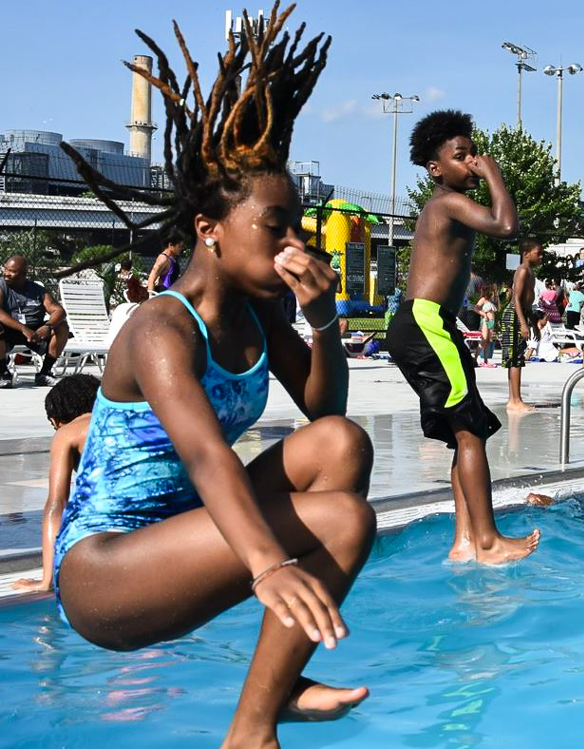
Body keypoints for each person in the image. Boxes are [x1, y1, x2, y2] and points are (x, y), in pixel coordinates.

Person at [51, 14, 377, 746]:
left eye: (298, 226)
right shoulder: (161, 330)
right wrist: (267, 566)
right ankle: (251, 731)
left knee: (342, 446)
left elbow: (326, 412)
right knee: (347, 521)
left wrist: (322, 317)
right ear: (209, 230)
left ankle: (278, 680)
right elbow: (206, 455)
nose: (295, 243)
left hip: (187, 537)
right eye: (277, 226)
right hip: (106, 571)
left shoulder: (261, 315)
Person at [395, 108, 540, 566]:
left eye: (475, 154)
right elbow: (506, 225)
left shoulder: (445, 206)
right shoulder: (446, 202)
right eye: (463, 157)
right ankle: (490, 542)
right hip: (426, 323)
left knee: (464, 434)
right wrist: (495, 172)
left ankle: (464, 541)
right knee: (472, 432)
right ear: (436, 169)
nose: (474, 162)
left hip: (426, 324)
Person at [12, 374, 100, 593]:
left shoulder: (68, 433)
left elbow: (56, 506)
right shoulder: (129, 422)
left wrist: (47, 581)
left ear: (57, 420)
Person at [0, 254, 70, 388]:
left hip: (36, 332)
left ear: (24, 274)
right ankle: (3, 373)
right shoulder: (2, 285)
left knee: (62, 327)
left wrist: (48, 326)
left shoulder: (38, 290)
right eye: (6, 269)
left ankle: (45, 373)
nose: (7, 274)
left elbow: (59, 311)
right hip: (9, 330)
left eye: (12, 271)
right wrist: (23, 329)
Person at [499, 238, 542, 412]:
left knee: (516, 358)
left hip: (521, 314)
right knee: (515, 359)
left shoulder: (530, 272)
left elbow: (527, 303)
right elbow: (516, 298)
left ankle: (514, 399)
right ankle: (515, 400)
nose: (541, 256)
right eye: (538, 253)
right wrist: (523, 323)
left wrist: (534, 324)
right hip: (514, 316)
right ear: (526, 254)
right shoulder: (523, 270)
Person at [146, 228, 186, 294]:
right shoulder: (163, 259)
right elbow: (151, 279)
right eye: (179, 247)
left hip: (172, 294)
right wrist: (151, 297)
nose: (181, 249)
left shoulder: (172, 258)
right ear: (170, 245)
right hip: (164, 296)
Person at [474, 283, 497, 367]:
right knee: (483, 340)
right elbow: (475, 308)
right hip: (486, 321)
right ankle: (475, 358)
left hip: (491, 321)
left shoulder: (491, 300)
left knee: (488, 341)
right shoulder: (483, 299)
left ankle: (486, 360)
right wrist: (484, 314)